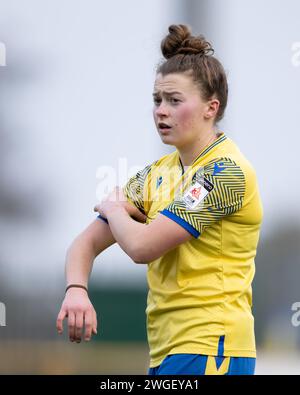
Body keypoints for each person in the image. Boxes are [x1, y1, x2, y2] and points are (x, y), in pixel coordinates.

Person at [56, 24, 263, 375]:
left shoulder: (224, 173)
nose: (161, 111)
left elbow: (141, 247)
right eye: (157, 100)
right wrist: (76, 289)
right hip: (170, 350)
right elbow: (84, 244)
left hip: (212, 347)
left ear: (211, 108)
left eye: (174, 100)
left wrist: (112, 207)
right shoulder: (157, 174)